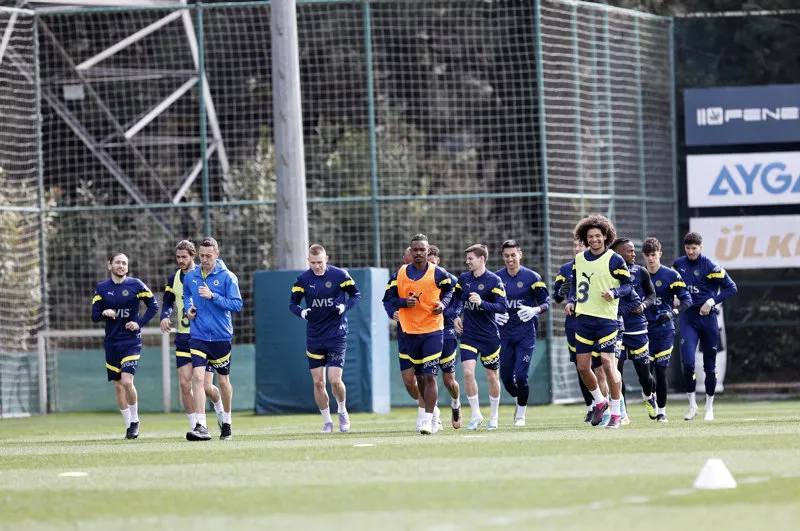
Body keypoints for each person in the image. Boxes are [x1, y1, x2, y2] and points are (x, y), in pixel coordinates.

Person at [565, 214, 633, 429]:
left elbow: (628, 286)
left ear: (605, 236)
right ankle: (600, 402)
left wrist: (614, 292)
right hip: (583, 319)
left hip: (607, 320)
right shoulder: (579, 259)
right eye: (590, 237)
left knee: (607, 364)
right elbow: (574, 285)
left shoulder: (614, 259)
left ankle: (616, 412)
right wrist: (571, 301)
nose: (594, 239)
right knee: (583, 367)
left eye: (597, 236)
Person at [386, 234, 453, 434]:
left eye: (422, 250)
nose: (418, 253)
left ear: (427, 251)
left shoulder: (438, 273)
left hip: (433, 330)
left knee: (430, 375)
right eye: (415, 250)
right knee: (418, 378)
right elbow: (388, 298)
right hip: (410, 331)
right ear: (410, 251)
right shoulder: (401, 274)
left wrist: (443, 304)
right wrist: (402, 303)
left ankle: (427, 420)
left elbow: (450, 291)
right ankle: (431, 414)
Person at [290, 244, 361, 433]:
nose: (317, 266)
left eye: (320, 262)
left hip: (336, 334)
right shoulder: (302, 279)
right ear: (308, 262)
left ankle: (342, 411)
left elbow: (355, 295)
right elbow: (293, 304)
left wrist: (344, 307)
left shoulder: (340, 275)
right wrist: (302, 312)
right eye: (313, 263)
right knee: (318, 382)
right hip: (314, 336)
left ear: (326, 259)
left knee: (335, 380)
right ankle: (327, 421)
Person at [159, 240, 225, 439]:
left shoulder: (203, 276)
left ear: (193, 256)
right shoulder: (174, 279)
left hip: (203, 336)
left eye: (184, 257)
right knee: (184, 384)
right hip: (183, 336)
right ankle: (196, 425)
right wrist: (164, 316)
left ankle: (218, 405)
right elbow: (169, 301)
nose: (180, 261)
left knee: (205, 386)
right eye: (178, 257)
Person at [91, 252, 159, 439]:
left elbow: (154, 306)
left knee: (128, 381)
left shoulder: (136, 285)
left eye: (124, 263)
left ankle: (135, 420)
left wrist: (140, 323)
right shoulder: (102, 288)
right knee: (118, 386)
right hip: (112, 343)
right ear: (109, 265)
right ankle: (129, 424)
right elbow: (94, 315)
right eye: (118, 262)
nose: (121, 265)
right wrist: (104, 311)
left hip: (131, 341)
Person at [183, 237, 243, 441]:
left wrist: (213, 297)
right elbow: (187, 295)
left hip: (221, 336)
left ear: (217, 254)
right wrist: (188, 309)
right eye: (202, 256)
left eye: (209, 256)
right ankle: (201, 425)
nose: (205, 259)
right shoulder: (191, 276)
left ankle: (227, 421)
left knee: (223, 382)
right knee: (197, 378)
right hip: (198, 335)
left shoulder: (228, 277)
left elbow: (236, 304)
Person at [673, 232, 737, 421]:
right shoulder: (678, 264)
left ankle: (709, 407)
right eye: (688, 248)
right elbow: (672, 286)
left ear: (700, 247)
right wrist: (675, 296)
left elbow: (731, 287)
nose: (691, 252)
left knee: (710, 365)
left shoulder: (710, 265)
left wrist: (712, 301)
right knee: (688, 362)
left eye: (694, 248)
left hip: (708, 318)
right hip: (687, 318)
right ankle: (692, 405)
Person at [494, 240, 550, 427]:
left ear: (520, 254)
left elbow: (547, 302)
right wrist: (494, 314)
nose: (510, 259)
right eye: (506, 255)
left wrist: (535, 310)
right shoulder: (496, 279)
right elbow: (486, 304)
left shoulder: (532, 277)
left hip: (526, 334)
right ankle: (520, 399)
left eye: (513, 255)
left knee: (521, 376)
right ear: (503, 257)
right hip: (504, 334)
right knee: (507, 378)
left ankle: (520, 416)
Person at [453, 244, 508, 430]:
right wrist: (455, 317)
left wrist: (482, 303)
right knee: (467, 373)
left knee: (492, 376)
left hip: (489, 336)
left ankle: (494, 416)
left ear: (481, 259)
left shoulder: (494, 280)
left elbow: (502, 306)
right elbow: (455, 301)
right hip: (468, 334)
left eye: (470, 258)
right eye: (467, 258)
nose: (467, 261)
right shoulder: (463, 279)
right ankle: (476, 415)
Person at [642, 237, 692, 422]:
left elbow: (687, 300)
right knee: (646, 373)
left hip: (664, 330)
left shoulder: (671, 275)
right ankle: (649, 397)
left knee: (661, 371)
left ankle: (662, 411)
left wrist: (673, 313)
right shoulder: (639, 275)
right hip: (643, 331)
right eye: (647, 255)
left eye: (654, 255)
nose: (651, 259)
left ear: (660, 254)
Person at [383, 247, 431, 430]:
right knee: (409, 381)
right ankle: (427, 406)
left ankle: (425, 414)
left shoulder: (432, 275)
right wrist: (393, 311)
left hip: (427, 332)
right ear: (404, 259)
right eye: (409, 258)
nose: (414, 260)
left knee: (426, 376)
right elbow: (387, 299)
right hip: (405, 334)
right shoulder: (398, 276)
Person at [611, 238, 658, 421]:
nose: (633, 254)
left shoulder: (641, 271)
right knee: (617, 374)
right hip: (616, 329)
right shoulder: (609, 272)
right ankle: (623, 413)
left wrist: (644, 306)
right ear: (618, 253)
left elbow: (652, 294)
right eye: (629, 251)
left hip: (638, 328)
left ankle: (648, 396)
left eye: (633, 251)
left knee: (645, 375)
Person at [553, 237, 594, 423]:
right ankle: (591, 407)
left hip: (596, 322)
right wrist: (562, 291)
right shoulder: (565, 269)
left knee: (602, 365)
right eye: (574, 245)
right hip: (573, 325)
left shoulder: (597, 264)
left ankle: (612, 404)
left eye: (581, 245)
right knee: (581, 367)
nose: (577, 248)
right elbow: (557, 297)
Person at [427, 245, 463, 428]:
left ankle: (456, 403)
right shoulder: (420, 279)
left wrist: (451, 315)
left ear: (438, 262)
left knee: (449, 381)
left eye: (433, 263)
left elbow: (459, 304)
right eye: (428, 263)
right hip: (426, 332)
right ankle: (433, 417)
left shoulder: (451, 280)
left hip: (447, 332)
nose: (431, 267)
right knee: (427, 377)